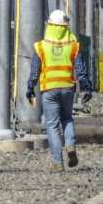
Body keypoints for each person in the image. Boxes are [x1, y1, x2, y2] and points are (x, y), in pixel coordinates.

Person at [26, 9, 93, 172]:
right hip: (68, 88)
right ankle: (70, 146)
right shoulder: (73, 45)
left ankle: (58, 163)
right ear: (66, 27)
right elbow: (81, 70)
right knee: (67, 119)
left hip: (49, 90)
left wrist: (30, 88)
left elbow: (35, 71)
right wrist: (86, 87)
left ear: (49, 25)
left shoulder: (41, 46)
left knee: (52, 125)